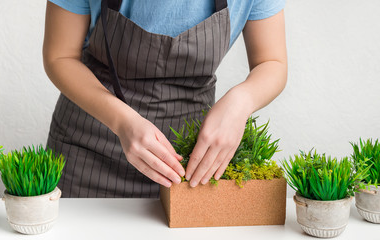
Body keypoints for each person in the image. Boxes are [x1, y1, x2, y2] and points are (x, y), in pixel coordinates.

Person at [43, 0, 287, 198]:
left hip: (189, 168)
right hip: (87, 153)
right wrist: (121, 120)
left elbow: (272, 62)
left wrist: (240, 102)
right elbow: (60, 56)